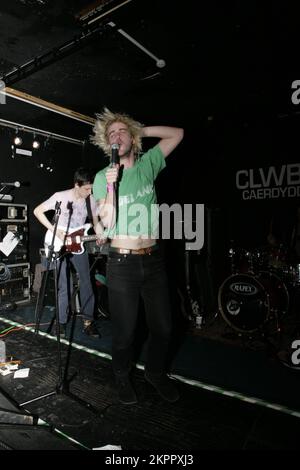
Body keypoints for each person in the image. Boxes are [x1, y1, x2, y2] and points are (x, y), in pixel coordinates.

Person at [91, 107, 184, 404]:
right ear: (107, 144)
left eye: (121, 132)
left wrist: (137, 130)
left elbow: (177, 134)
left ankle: (155, 373)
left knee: (163, 328)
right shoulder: (101, 176)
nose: (116, 136)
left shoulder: (148, 165)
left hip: (153, 260)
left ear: (130, 136)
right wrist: (109, 185)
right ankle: (121, 376)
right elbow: (104, 222)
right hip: (122, 263)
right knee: (125, 334)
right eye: (111, 134)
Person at [33, 167, 105, 338]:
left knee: (87, 282)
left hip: (78, 244)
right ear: (76, 185)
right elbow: (37, 211)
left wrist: (101, 233)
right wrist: (54, 230)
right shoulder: (61, 196)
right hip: (58, 242)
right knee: (63, 284)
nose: (90, 192)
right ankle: (61, 322)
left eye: (91, 188)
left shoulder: (91, 200)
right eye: (86, 188)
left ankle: (88, 322)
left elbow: (95, 222)